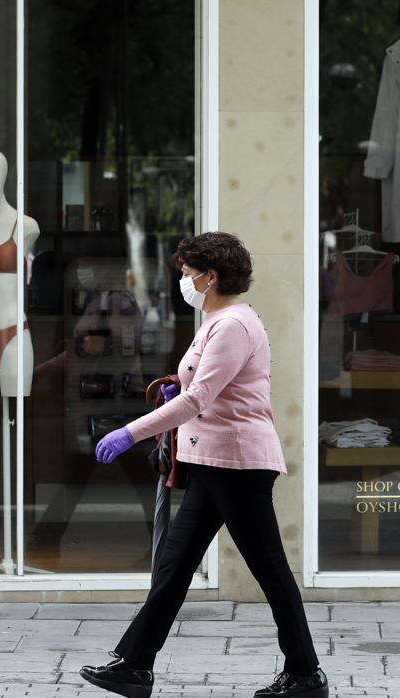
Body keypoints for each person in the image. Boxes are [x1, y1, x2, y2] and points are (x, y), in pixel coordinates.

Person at [80, 232, 328, 698]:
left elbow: (198, 399)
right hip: (213, 462)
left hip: (238, 464)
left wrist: (131, 431)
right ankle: (134, 665)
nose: (183, 281)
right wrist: (176, 387)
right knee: (174, 566)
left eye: (187, 273)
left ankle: (305, 674)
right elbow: (203, 386)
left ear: (210, 277)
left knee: (270, 568)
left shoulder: (232, 324)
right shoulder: (218, 321)